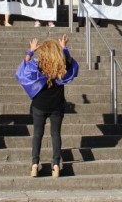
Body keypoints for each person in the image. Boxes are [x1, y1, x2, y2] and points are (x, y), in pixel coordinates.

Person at [16, 34, 78, 177]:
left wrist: (30, 52)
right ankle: (56, 164)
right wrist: (64, 48)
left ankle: (34, 164)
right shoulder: (62, 66)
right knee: (55, 134)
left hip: (39, 105)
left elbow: (22, 72)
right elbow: (71, 62)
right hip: (57, 105)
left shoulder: (37, 65)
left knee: (37, 134)